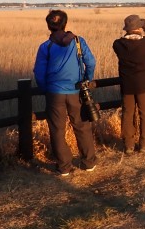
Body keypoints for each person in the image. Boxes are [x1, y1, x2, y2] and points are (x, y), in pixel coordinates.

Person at [33, 10, 97, 175]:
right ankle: (89, 162)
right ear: (65, 23)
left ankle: (64, 166)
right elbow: (90, 61)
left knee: (57, 129)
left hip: (54, 93)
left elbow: (39, 72)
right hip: (76, 90)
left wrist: (45, 89)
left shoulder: (45, 47)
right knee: (82, 126)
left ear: (49, 25)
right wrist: (87, 79)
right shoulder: (78, 41)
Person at [112, 14, 145, 154]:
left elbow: (121, 42)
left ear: (127, 29)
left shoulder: (118, 44)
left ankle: (129, 145)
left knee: (127, 114)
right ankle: (144, 144)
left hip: (127, 86)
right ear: (139, 28)